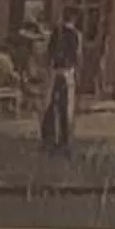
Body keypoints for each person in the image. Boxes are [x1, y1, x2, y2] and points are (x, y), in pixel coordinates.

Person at [43, 13, 83, 153]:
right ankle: (64, 140)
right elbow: (77, 56)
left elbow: (48, 53)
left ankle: (49, 138)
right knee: (66, 108)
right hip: (67, 73)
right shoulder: (75, 35)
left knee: (51, 105)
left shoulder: (56, 32)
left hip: (54, 72)